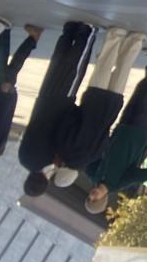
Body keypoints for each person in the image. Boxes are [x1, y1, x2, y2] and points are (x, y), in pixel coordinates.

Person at [49, 29, 147, 190]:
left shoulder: (91, 157)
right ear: (60, 169)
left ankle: (136, 40)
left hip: (110, 111)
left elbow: (106, 139)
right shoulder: (64, 148)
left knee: (122, 72)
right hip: (92, 104)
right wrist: (75, 109)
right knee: (104, 67)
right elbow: (68, 121)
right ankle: (116, 35)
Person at [84, 51, 147, 215]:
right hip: (138, 135)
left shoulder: (95, 176)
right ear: (103, 199)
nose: (92, 196)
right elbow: (137, 176)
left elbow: (86, 162)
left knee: (139, 94)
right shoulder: (118, 184)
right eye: (94, 199)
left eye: (89, 198)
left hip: (122, 129)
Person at [19, 21, 98, 195]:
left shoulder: (50, 159)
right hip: (42, 103)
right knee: (56, 66)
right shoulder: (23, 158)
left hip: (61, 106)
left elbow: (60, 134)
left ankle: (85, 33)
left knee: (75, 69)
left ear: (44, 182)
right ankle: (68, 32)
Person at [0, 19, 42, 164]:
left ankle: (8, 31)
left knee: (6, 64)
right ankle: (29, 37)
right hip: (1, 97)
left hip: (2, 98)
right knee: (6, 64)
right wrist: (4, 96)